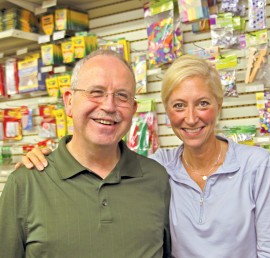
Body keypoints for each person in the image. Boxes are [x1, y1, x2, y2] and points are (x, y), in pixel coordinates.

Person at [18, 55, 270, 258]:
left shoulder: (257, 166)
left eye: (203, 103)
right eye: (179, 105)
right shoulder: (158, 169)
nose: (191, 117)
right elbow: (99, 148)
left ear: (219, 105)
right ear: (168, 112)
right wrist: (51, 156)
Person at [0, 49, 171, 258]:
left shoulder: (157, 178)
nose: (109, 106)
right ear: (69, 102)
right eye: (96, 92)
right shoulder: (26, 183)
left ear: (134, 109)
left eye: (122, 96)